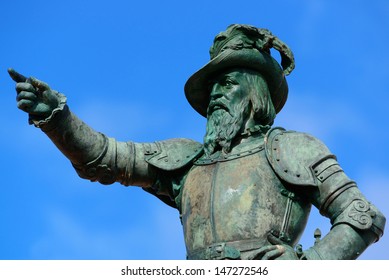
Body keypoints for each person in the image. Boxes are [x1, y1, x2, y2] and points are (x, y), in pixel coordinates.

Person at [8, 24, 385, 260]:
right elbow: (104, 158)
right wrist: (58, 118)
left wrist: (309, 266)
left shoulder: (295, 149)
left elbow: (362, 215)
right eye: (213, 88)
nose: (216, 95)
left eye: (228, 84)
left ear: (254, 94)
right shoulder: (186, 160)